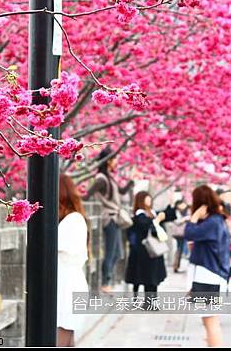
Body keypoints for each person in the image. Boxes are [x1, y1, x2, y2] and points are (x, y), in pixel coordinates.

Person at [185, 185, 230, 347]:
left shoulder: (212, 222)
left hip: (209, 276)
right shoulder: (216, 221)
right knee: (209, 321)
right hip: (211, 276)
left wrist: (194, 217)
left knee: (210, 321)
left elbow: (189, 233)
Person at [83, 147, 134, 292]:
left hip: (115, 218)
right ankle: (105, 282)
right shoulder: (101, 179)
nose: (116, 162)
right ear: (108, 161)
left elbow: (121, 192)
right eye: (114, 159)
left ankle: (107, 280)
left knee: (117, 252)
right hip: (109, 219)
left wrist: (131, 182)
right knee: (111, 251)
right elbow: (87, 195)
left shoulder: (108, 177)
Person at [57, 175, 90, 347]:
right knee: (67, 339)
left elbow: (51, 245)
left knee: (62, 337)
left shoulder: (73, 220)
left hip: (68, 288)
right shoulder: (70, 220)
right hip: (66, 286)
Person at [125, 191, 167, 304]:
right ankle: (148, 302)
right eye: (146, 199)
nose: (149, 201)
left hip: (154, 250)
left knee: (153, 278)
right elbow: (146, 226)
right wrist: (157, 220)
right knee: (148, 277)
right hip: (144, 251)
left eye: (150, 199)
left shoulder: (152, 213)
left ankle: (152, 302)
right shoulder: (140, 215)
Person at [171, 199, 190, 273]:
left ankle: (180, 265)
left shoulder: (188, 210)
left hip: (187, 232)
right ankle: (176, 266)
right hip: (179, 234)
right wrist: (185, 219)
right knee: (179, 249)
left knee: (185, 249)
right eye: (181, 204)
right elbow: (176, 221)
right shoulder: (176, 211)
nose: (183, 205)